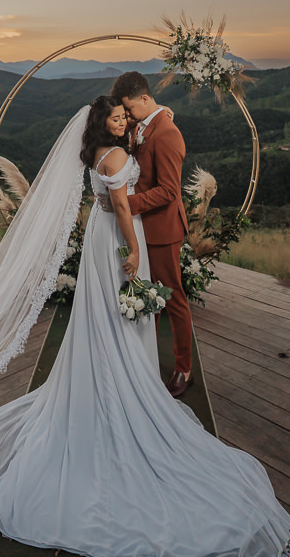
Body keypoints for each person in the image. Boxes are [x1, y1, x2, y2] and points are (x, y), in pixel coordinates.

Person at [0, 97, 290, 556]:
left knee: (103, 315)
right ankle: (123, 380)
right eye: (117, 117)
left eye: (126, 115)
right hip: (116, 239)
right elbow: (123, 208)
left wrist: (156, 117)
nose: (125, 121)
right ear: (101, 124)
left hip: (98, 238)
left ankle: (110, 367)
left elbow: (122, 175)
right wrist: (133, 251)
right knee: (119, 309)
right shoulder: (113, 155)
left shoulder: (98, 150)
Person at [111, 71, 193, 398]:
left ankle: (184, 367)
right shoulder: (145, 122)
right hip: (143, 227)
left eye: (130, 110)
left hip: (162, 229)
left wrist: (125, 204)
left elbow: (170, 191)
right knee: (149, 297)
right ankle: (145, 361)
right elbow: (131, 128)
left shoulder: (167, 134)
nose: (127, 118)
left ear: (145, 99)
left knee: (172, 300)